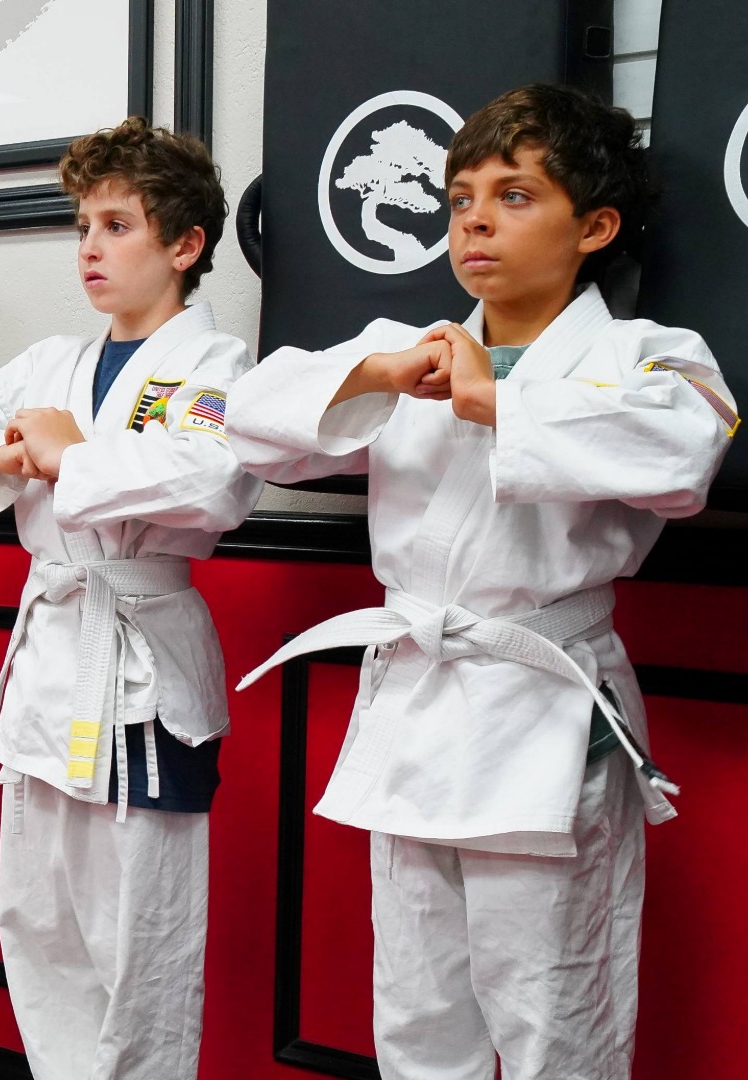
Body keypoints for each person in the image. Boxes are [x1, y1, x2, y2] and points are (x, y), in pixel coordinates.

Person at [226, 84, 736, 1079]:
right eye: (461, 199)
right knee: (416, 1012)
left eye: (513, 196)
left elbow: (682, 458)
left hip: (543, 710)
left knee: (555, 1012)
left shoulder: (649, 357)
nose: (475, 222)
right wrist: (376, 377)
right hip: (417, 701)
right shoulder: (410, 351)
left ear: (594, 225)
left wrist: (498, 401)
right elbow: (243, 419)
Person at [0, 117, 258, 1079]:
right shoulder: (49, 363)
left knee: (139, 935)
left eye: (117, 225)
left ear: (185, 246)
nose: (91, 248)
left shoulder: (217, 369)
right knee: (39, 920)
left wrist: (73, 457)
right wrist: (2, 454)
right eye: (83, 226)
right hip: (52, 658)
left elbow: (211, 480)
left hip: (143, 670)